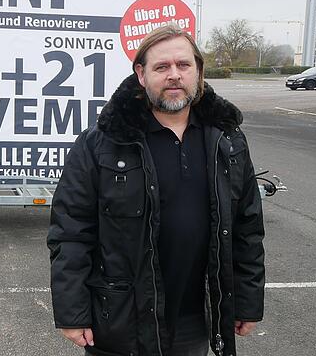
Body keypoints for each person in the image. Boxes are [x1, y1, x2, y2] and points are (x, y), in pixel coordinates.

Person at [47, 24, 265, 356]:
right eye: (161, 67)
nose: (174, 75)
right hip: (123, 320)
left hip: (197, 319)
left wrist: (247, 301)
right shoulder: (102, 143)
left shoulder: (227, 141)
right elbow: (71, 231)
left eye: (183, 65)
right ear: (141, 74)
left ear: (198, 72)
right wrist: (71, 312)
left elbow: (247, 228)